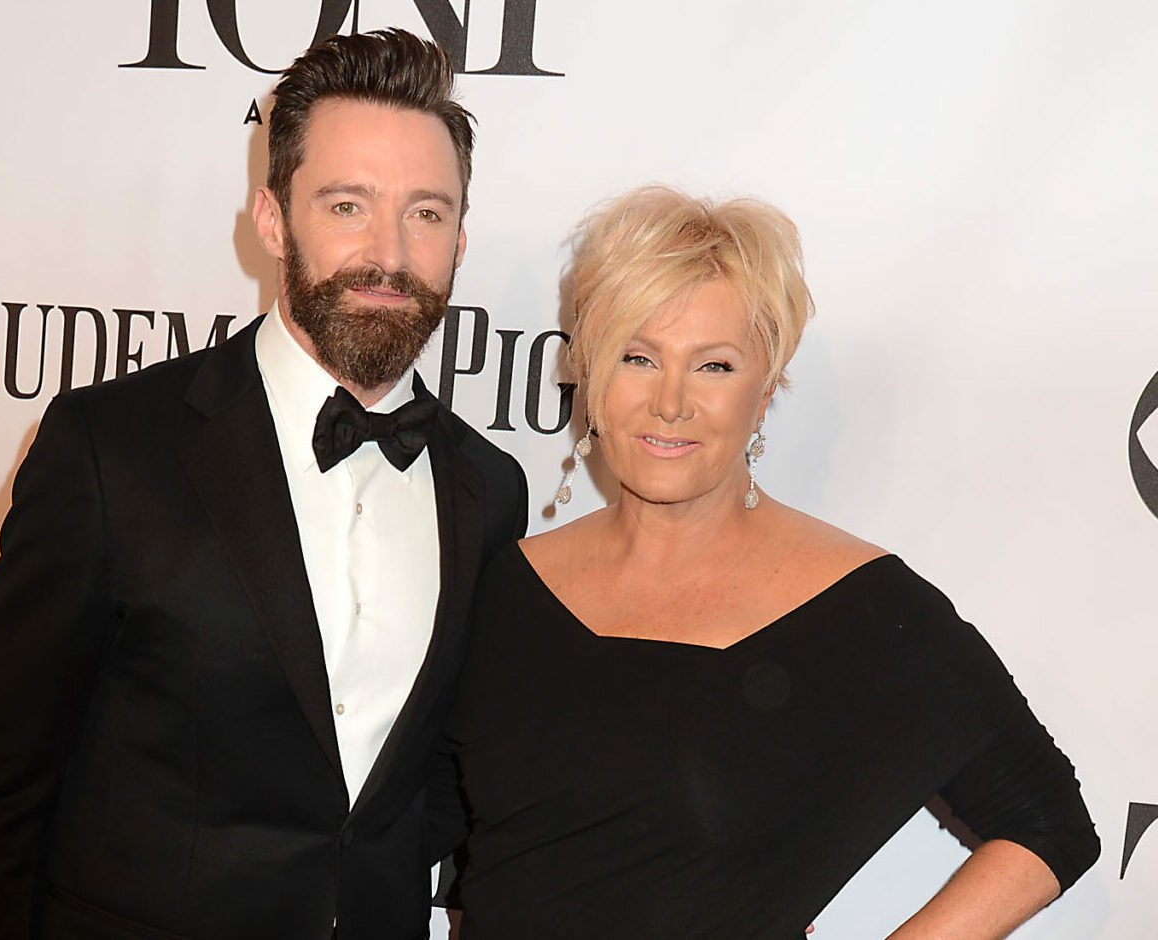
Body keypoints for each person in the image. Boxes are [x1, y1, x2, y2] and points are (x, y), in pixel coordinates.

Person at [0, 29, 527, 939]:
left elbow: (449, 771)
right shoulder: (109, 452)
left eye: (427, 213)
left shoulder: (489, 490)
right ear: (273, 218)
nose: (390, 253)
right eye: (347, 204)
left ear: (460, 238)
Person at [434, 186, 1099, 938]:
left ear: (767, 384)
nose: (670, 402)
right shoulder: (508, 585)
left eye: (714, 366)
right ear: (587, 367)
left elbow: (1049, 823)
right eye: (637, 357)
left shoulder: (862, 609)